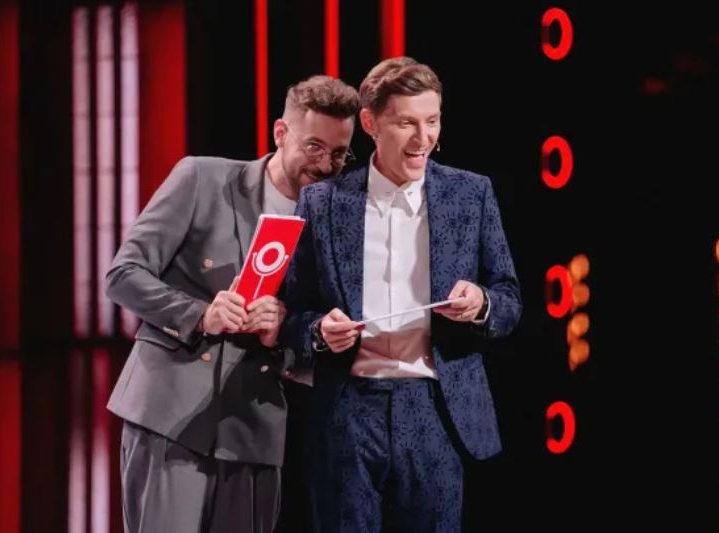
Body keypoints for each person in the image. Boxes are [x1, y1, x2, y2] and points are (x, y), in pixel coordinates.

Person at [105, 74, 359, 533]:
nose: (326, 165)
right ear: (280, 133)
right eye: (314, 147)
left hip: (254, 431)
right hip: (169, 415)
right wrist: (200, 314)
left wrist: (286, 327)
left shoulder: (338, 225)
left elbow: (320, 336)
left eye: (339, 154)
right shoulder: (202, 178)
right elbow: (123, 276)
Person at [280, 57, 522, 532]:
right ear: (370, 124)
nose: (423, 138)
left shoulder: (470, 194)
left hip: (435, 410)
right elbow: (292, 312)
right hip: (348, 411)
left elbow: (509, 300)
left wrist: (481, 304)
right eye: (407, 123)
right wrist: (319, 330)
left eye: (432, 121)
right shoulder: (323, 202)